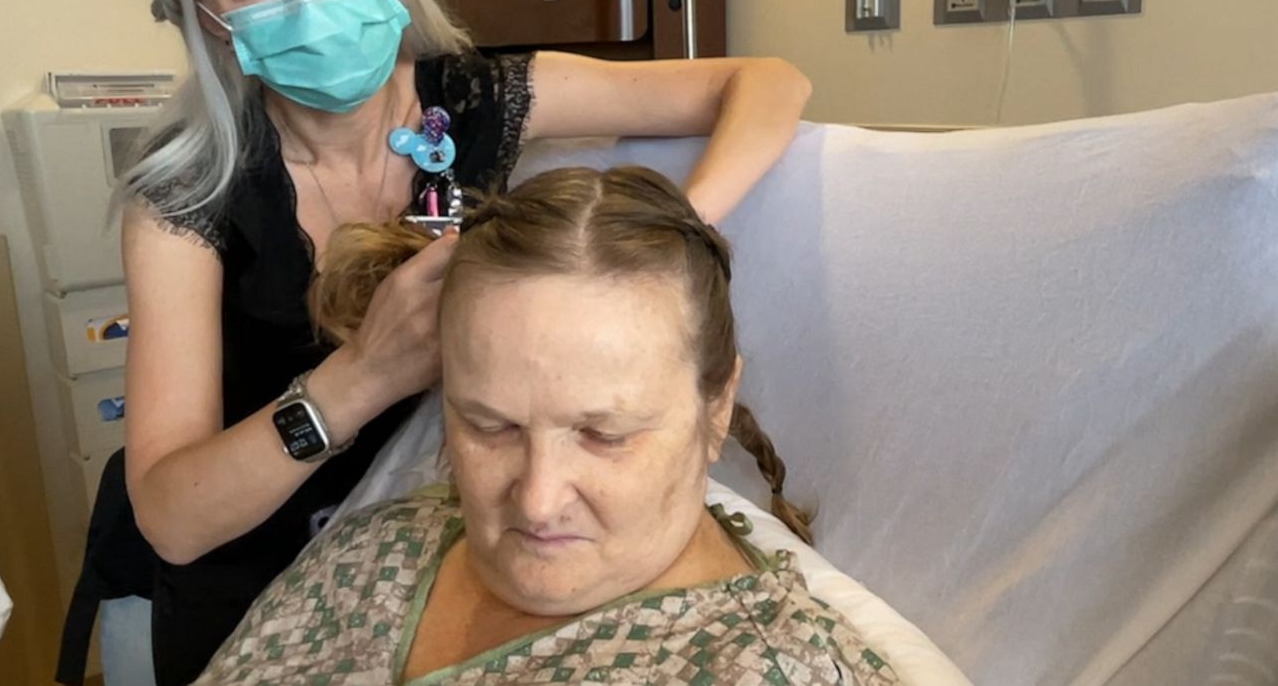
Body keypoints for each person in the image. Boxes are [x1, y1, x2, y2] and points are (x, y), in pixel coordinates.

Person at [115, 0, 813, 682]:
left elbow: (769, 82)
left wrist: (676, 230)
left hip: (446, 557)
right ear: (208, 16)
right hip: (258, 590)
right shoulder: (186, 197)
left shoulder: (481, 102)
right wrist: (361, 377)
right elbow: (172, 518)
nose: (309, 0)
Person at [193, 166, 890, 684]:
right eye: (489, 426)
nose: (536, 499)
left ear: (715, 412)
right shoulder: (379, 548)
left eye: (604, 435)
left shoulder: (777, 669)